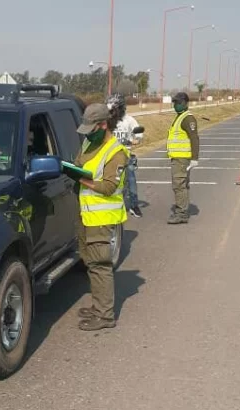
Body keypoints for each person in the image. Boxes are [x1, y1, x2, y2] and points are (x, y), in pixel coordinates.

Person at [72, 103, 129, 331]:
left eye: (92, 129)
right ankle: (98, 307)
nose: (88, 134)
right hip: (86, 215)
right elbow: (78, 163)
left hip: (102, 218)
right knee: (90, 262)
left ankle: (105, 316)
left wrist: (80, 179)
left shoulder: (116, 153)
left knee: (100, 265)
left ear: (103, 125)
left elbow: (107, 187)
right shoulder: (89, 141)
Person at [106, 94, 144, 218]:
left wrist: (133, 141)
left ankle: (134, 205)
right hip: (109, 155)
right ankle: (112, 205)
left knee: (130, 179)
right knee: (110, 181)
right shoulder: (107, 120)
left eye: (115, 109)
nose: (113, 112)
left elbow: (138, 136)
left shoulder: (129, 120)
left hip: (125, 155)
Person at [166, 92, 200, 224]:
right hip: (178, 158)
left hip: (182, 158)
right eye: (174, 103)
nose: (176, 105)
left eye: (178, 103)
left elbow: (194, 138)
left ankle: (181, 213)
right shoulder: (180, 117)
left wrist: (194, 158)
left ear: (185, 103)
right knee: (182, 185)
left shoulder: (187, 119)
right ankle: (182, 208)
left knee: (179, 185)